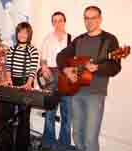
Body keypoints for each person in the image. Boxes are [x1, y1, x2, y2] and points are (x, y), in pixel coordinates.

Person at [56, 6, 121, 151]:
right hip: (75, 91)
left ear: (100, 19)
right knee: (77, 134)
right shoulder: (79, 39)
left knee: (90, 138)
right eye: (86, 18)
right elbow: (61, 56)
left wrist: (98, 68)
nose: (89, 21)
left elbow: (115, 67)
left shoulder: (109, 40)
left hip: (95, 94)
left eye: (93, 18)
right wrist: (66, 70)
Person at [40, 11, 73, 150]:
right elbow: (43, 58)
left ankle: (64, 144)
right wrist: (43, 67)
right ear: (52, 23)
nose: (58, 23)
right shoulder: (47, 38)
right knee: (50, 112)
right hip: (51, 76)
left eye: (60, 20)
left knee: (67, 114)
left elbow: (75, 60)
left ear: (64, 22)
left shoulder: (72, 39)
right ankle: (48, 143)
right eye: (55, 21)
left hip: (67, 77)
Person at [5, 22, 39, 151]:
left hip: (26, 83)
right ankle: (7, 145)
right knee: (8, 115)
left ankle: (22, 147)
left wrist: (29, 83)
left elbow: (33, 69)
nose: (22, 35)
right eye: (20, 32)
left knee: (24, 117)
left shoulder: (32, 50)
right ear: (17, 33)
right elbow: (8, 67)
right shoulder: (11, 49)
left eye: (25, 32)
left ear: (29, 34)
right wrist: (9, 81)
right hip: (12, 82)